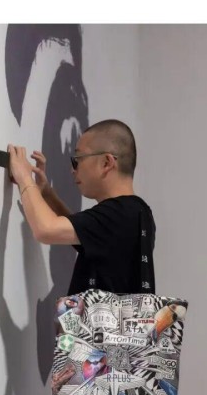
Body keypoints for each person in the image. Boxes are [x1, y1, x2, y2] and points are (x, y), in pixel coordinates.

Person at [8, 119, 156, 296]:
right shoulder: (138, 212)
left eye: (78, 159)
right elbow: (85, 234)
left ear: (106, 163)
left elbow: (46, 230)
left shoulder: (119, 214)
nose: (73, 169)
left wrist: (24, 177)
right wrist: (47, 194)